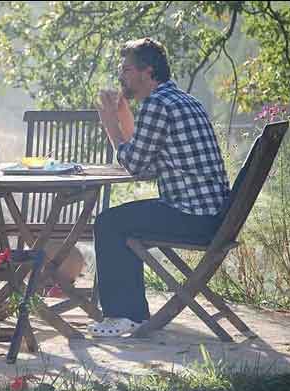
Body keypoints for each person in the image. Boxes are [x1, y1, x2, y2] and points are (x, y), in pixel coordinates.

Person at [88, 37, 230, 337]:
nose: (120, 75)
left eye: (126, 69)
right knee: (122, 222)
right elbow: (150, 163)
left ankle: (123, 316)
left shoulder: (157, 103)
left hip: (192, 217)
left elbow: (136, 165)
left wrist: (110, 124)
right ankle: (131, 314)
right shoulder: (183, 99)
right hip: (214, 216)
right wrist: (123, 116)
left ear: (147, 71)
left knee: (109, 223)